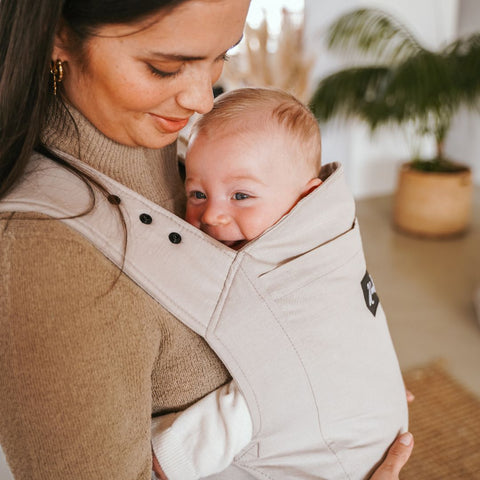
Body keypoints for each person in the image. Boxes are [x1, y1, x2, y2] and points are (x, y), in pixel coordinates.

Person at [0, 1, 413, 479]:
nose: (202, 99)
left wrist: (346, 380)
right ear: (59, 35)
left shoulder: (168, 144)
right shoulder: (44, 251)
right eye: (165, 68)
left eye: (222, 56)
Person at [149, 88, 408, 479]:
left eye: (241, 195)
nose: (213, 214)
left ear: (305, 198)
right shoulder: (319, 232)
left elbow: (265, 393)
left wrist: (161, 451)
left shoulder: (303, 284)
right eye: (197, 193)